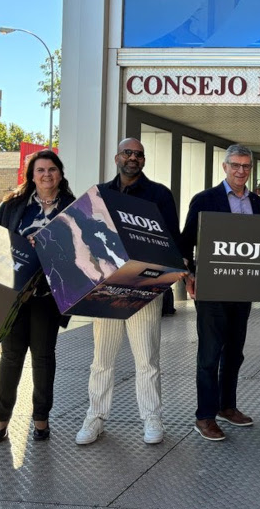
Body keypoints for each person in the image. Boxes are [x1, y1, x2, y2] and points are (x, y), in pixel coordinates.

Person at [75, 138, 182, 446]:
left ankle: (151, 417)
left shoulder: (159, 195)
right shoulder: (99, 194)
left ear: (143, 160)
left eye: (138, 154)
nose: (133, 158)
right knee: (101, 359)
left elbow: (171, 240)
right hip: (107, 286)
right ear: (117, 157)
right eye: (127, 153)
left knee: (147, 359)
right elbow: (84, 237)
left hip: (143, 285)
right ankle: (95, 417)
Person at [0, 150, 75, 443]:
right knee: (11, 358)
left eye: (52, 169)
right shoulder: (13, 205)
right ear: (32, 175)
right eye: (40, 170)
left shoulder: (73, 208)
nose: (46, 174)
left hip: (49, 296)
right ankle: (1, 419)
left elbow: (82, 251)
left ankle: (41, 419)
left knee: (43, 358)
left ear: (60, 174)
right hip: (15, 295)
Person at [182, 144, 260, 442]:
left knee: (234, 352)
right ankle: (205, 416)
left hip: (243, 289)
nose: (241, 171)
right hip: (212, 289)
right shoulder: (205, 199)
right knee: (210, 354)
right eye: (236, 165)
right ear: (225, 167)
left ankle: (226, 406)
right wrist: (189, 275)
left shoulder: (256, 202)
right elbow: (186, 242)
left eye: (246, 166)